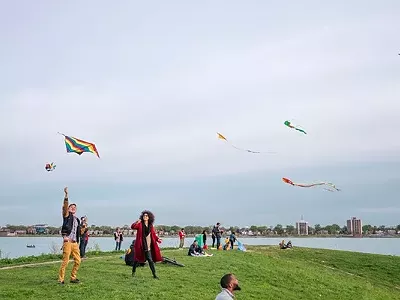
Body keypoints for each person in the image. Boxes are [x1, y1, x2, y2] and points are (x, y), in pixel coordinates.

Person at [58, 187, 81, 284]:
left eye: (75, 207)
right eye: (72, 207)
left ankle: (73, 277)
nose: (73, 208)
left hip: (75, 243)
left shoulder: (77, 219)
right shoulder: (67, 215)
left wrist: (84, 227)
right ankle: (61, 279)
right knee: (65, 261)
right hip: (68, 242)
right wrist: (66, 195)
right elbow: (65, 206)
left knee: (78, 261)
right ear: (68, 209)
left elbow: (79, 232)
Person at [130, 210, 163, 279]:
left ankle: (154, 275)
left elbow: (153, 234)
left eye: (146, 216)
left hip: (148, 246)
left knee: (150, 260)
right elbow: (133, 227)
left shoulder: (151, 226)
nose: (145, 216)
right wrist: (137, 222)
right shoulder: (140, 224)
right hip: (140, 245)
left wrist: (157, 239)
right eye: (144, 215)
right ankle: (133, 272)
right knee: (136, 260)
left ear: (149, 217)